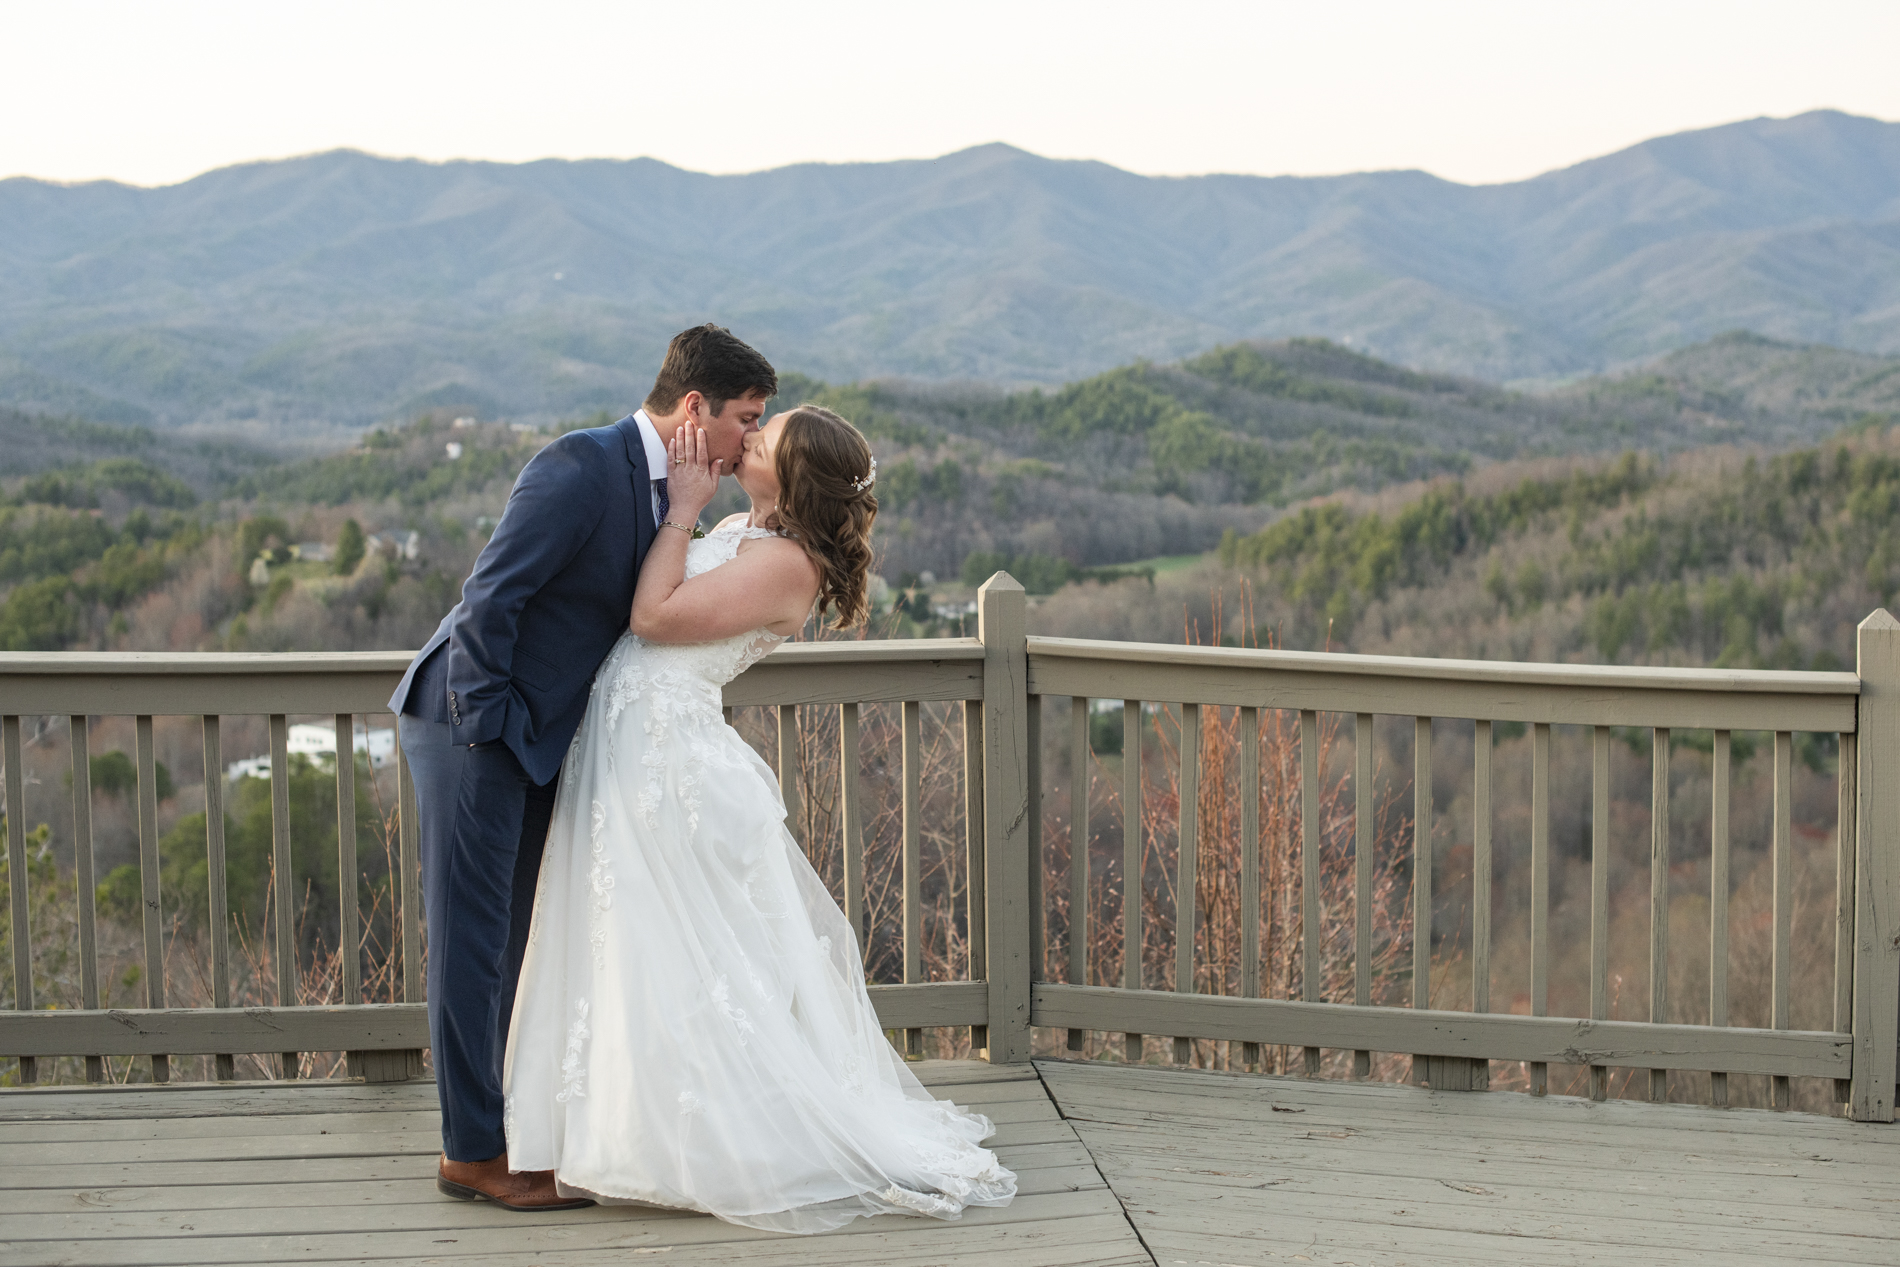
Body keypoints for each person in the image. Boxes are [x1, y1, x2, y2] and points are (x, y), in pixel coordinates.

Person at [502, 404, 1017, 1232]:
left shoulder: (791, 566)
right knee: (626, 935)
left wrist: (677, 513)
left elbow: (657, 618)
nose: (752, 437)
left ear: (796, 473)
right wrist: (695, 512)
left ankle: (693, 1140)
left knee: (676, 944)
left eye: (767, 438)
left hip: (670, 759)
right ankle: (606, 1125)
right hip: (630, 742)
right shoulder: (745, 526)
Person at [389, 324, 776, 1211]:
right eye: (744, 420)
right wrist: (489, 733)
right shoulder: (578, 465)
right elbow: (491, 598)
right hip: (471, 726)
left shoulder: (679, 489)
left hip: (530, 740)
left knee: (512, 940)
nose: (749, 440)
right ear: (692, 408)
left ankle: (502, 1133)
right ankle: (470, 1154)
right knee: (472, 945)